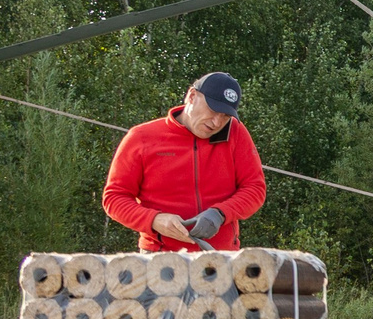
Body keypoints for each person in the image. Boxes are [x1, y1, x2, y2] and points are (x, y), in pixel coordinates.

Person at [102, 72, 268, 252]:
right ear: (191, 96)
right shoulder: (141, 137)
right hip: (159, 257)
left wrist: (220, 213)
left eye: (225, 116)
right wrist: (155, 220)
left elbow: (255, 189)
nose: (217, 122)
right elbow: (114, 198)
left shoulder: (235, 133)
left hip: (221, 256)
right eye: (213, 110)